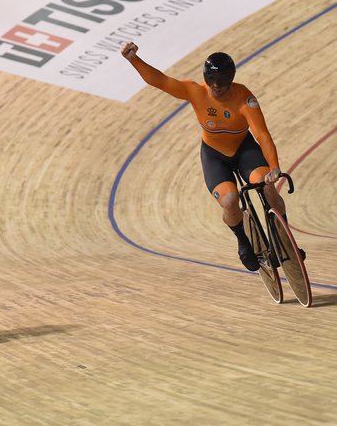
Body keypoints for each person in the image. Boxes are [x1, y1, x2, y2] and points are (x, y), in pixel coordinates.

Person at [121, 42, 289, 271]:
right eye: (212, 81)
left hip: (244, 149)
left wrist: (274, 167)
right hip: (214, 155)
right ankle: (242, 241)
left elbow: (262, 134)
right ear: (205, 78)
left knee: (266, 185)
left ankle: (285, 240)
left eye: (222, 82)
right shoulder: (196, 91)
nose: (216, 86)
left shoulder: (244, 97)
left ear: (231, 79)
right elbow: (160, 81)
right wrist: (134, 60)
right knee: (230, 201)